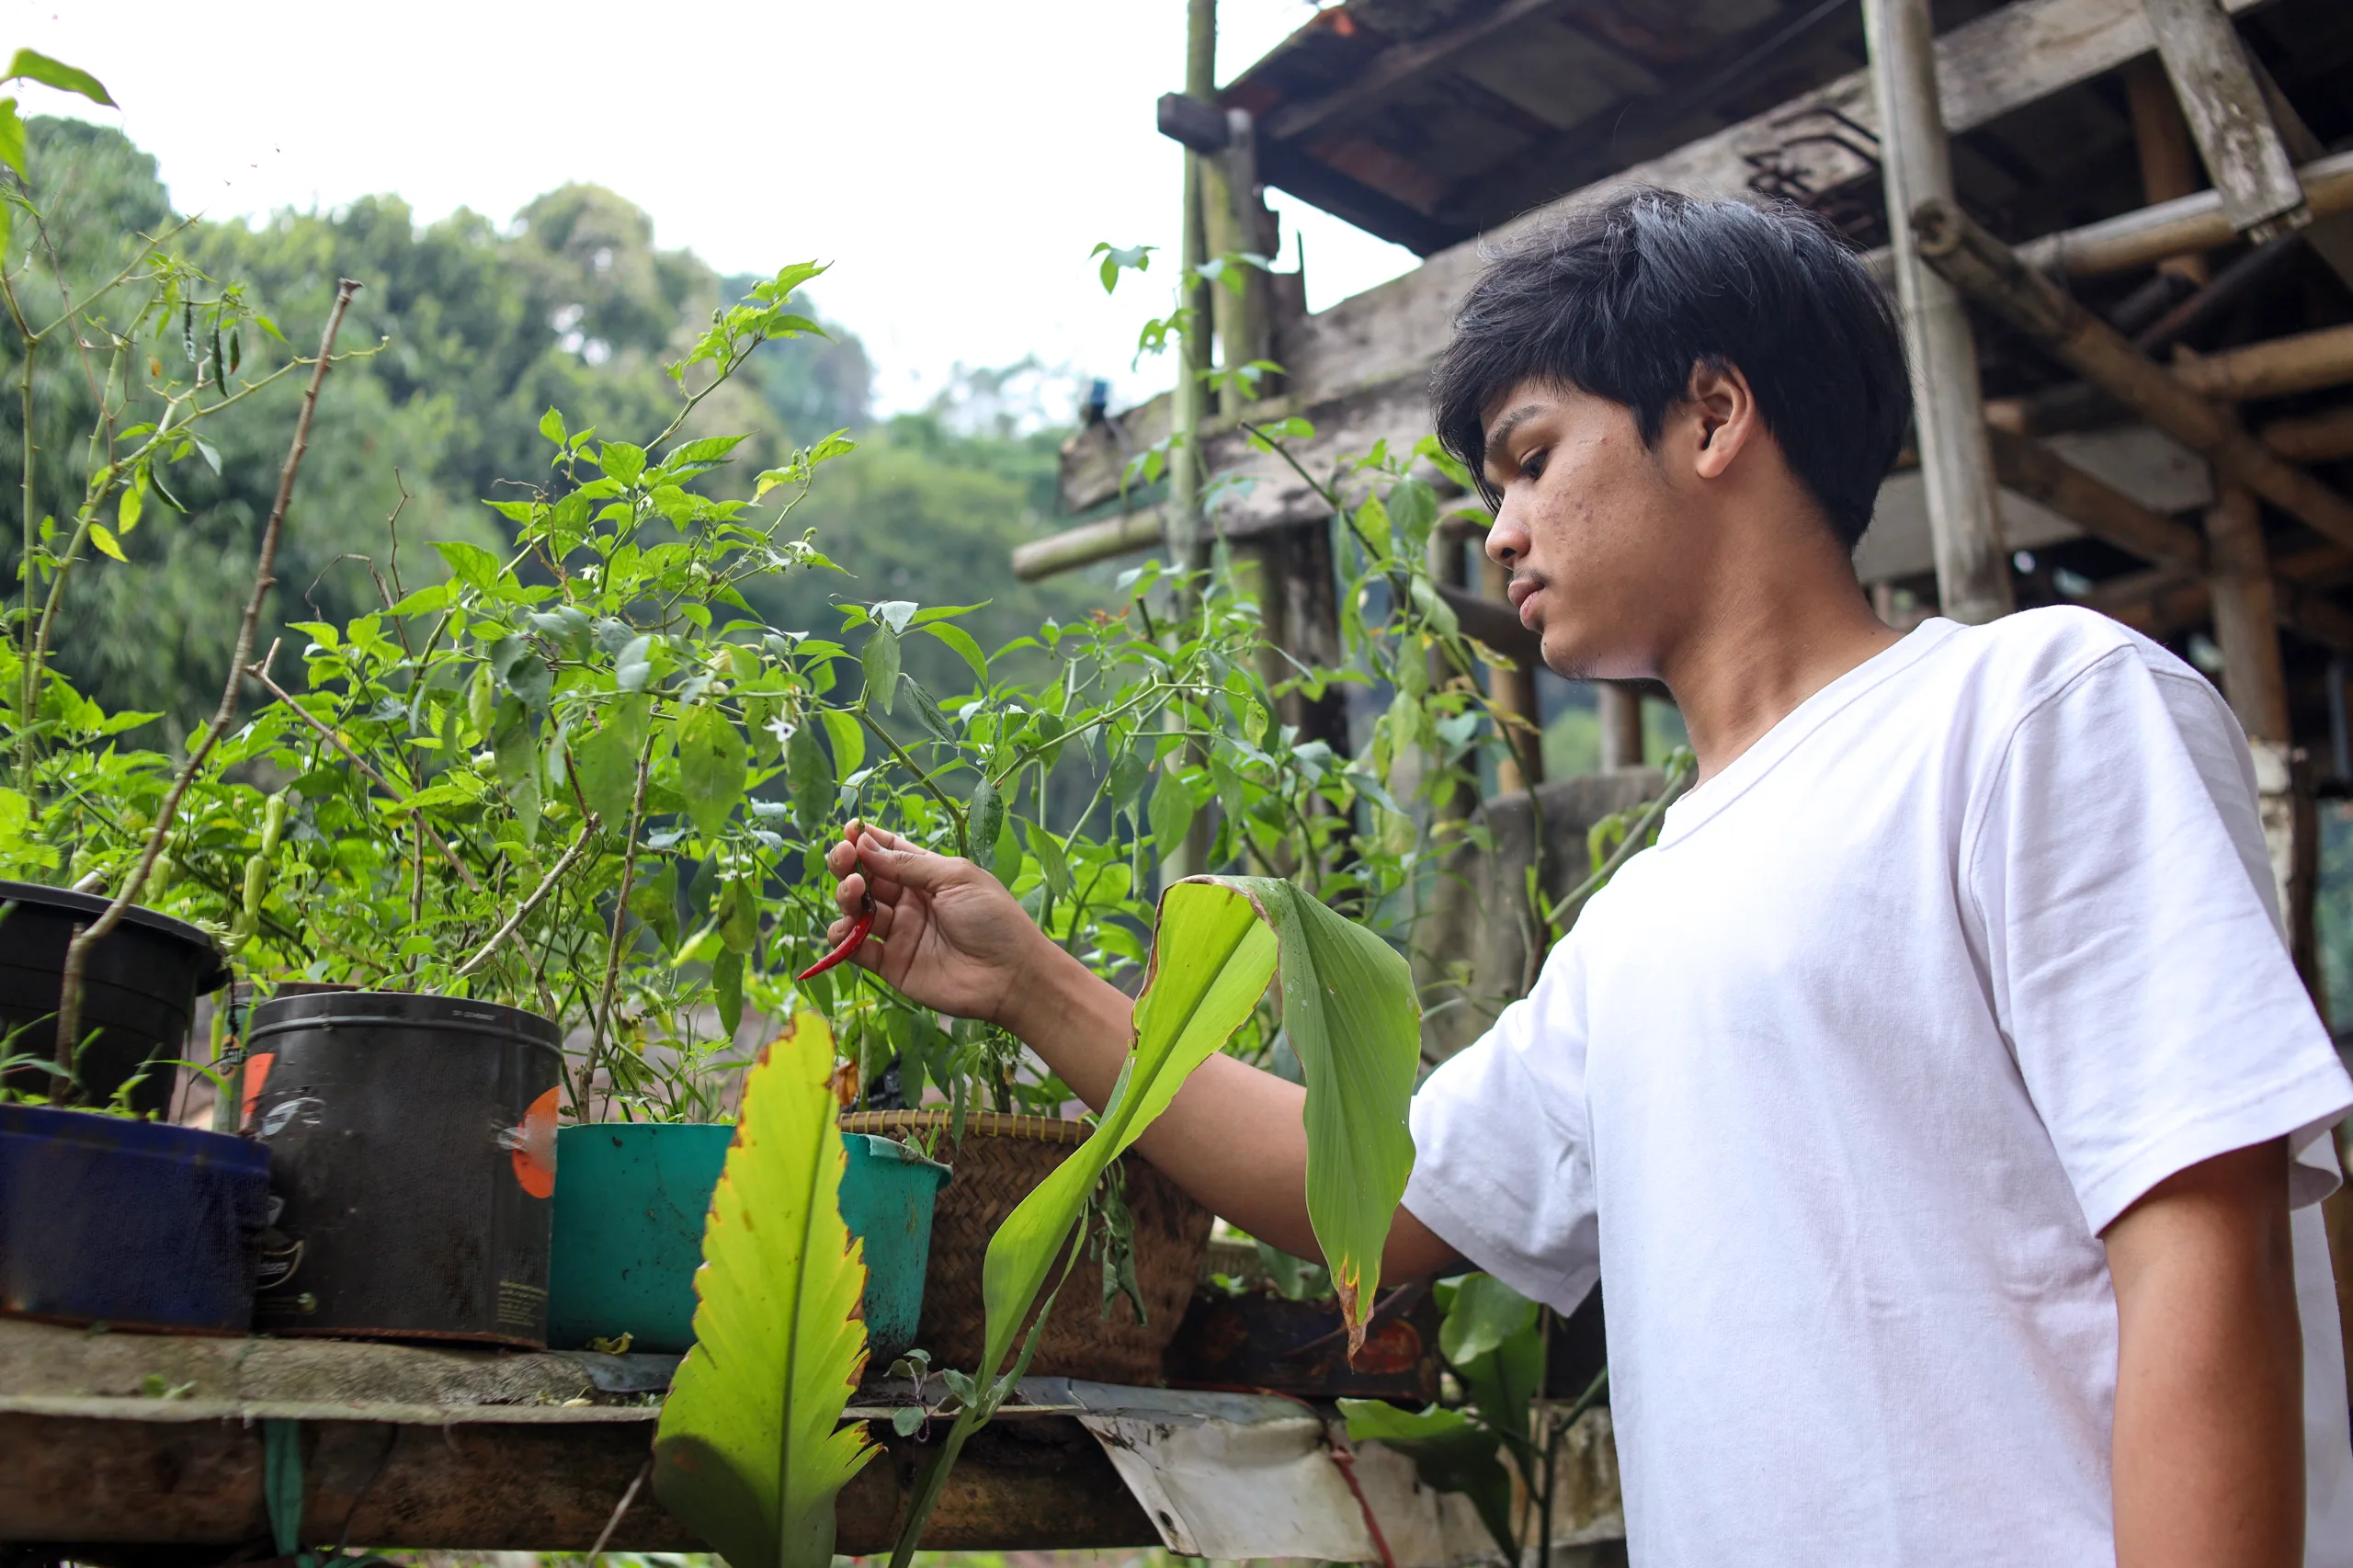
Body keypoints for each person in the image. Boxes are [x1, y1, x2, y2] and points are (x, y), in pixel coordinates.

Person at [822, 189, 2353, 1567]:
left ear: (1711, 413)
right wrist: (1027, 980)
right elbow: (1376, 1190)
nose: (1501, 533)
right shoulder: (1642, 919)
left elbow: (2201, 1250)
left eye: (1534, 459)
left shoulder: (2030, 712)